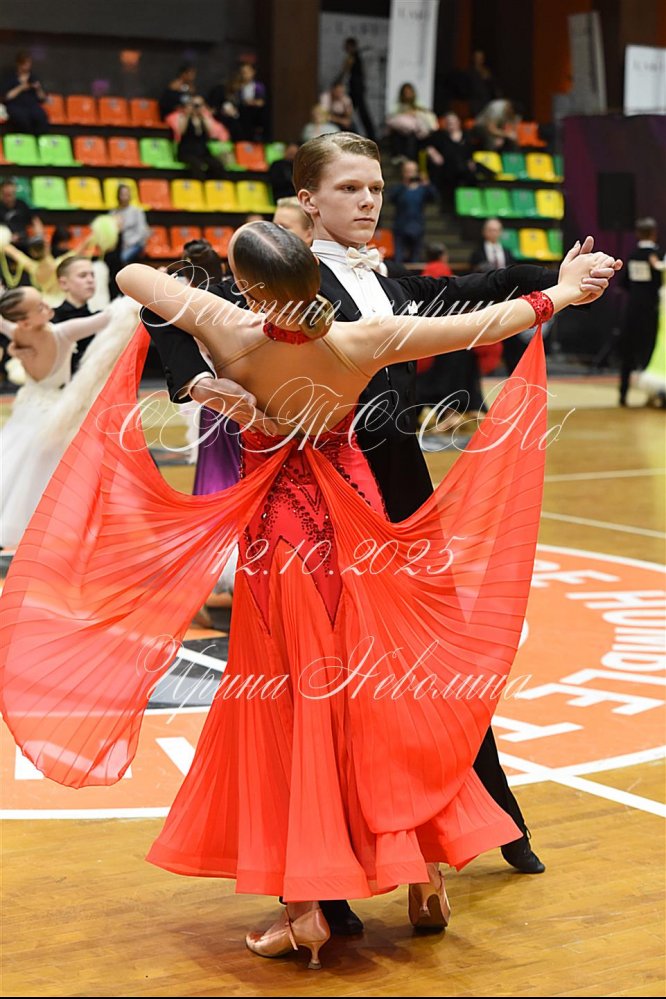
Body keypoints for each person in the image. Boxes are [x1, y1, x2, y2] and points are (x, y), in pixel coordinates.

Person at [1, 223, 612, 971]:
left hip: (282, 542)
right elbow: (488, 322)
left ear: (250, 288)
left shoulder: (229, 328)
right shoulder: (364, 337)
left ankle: (305, 909)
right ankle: (423, 878)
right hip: (359, 526)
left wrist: (215, 382)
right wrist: (560, 293)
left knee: (293, 710)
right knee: (384, 696)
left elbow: (133, 279)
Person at [140, 133, 622, 912]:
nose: (368, 201)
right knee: (330, 684)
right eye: (350, 188)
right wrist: (196, 381)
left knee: (437, 664)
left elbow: (476, 286)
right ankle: (336, 874)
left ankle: (490, 819)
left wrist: (560, 278)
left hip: (402, 492)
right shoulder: (281, 279)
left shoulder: (386, 284)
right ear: (308, 199)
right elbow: (160, 304)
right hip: (324, 506)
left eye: (375, 188)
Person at [0, 287, 134, 548]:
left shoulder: (15, 331)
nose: (48, 307)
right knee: (46, 469)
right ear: (25, 321)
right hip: (52, 411)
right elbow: (105, 318)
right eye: (40, 307)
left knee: (17, 464)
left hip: (28, 407)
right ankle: (48, 524)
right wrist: (138, 295)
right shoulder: (62, 332)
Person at [619, 217, 664, 407]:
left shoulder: (632, 255)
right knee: (649, 352)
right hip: (652, 311)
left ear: (638, 234)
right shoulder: (658, 255)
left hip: (632, 310)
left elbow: (624, 283)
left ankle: (623, 394)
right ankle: (652, 396)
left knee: (628, 352)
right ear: (654, 233)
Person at [52, 255, 98, 373]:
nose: (90, 280)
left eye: (92, 275)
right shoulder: (51, 320)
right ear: (63, 283)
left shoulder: (100, 318)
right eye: (83, 275)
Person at [388, 160, 437, 264]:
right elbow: (391, 197)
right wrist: (404, 184)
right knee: (399, 258)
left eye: (412, 171)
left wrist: (427, 183)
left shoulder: (422, 189)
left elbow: (434, 197)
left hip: (417, 226)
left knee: (416, 258)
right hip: (400, 227)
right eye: (407, 171)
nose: (410, 174)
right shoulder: (399, 189)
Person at [172, 97, 227, 180]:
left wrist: (203, 115)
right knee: (197, 166)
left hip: (202, 151)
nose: (196, 108)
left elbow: (211, 132)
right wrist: (188, 115)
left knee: (217, 165)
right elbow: (181, 131)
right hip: (187, 151)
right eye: (194, 105)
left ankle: (212, 185)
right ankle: (199, 186)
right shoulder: (183, 117)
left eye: (199, 105)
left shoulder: (204, 119)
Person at [386, 83, 438, 163]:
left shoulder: (419, 105)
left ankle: (410, 159)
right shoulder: (397, 106)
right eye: (406, 93)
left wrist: (415, 114)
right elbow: (391, 118)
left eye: (409, 92)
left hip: (416, 134)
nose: (408, 95)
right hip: (400, 132)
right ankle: (399, 156)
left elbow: (427, 117)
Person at [2, 51, 49, 135]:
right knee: (21, 118)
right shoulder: (10, 78)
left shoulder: (33, 77)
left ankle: (39, 139)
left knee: (40, 116)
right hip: (16, 105)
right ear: (19, 64)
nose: (27, 66)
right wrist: (21, 87)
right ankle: (27, 139)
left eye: (29, 63)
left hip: (32, 105)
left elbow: (42, 98)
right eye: (25, 63)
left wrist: (38, 89)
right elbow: (7, 97)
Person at [339, 38, 376, 141]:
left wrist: (338, 80)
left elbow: (345, 70)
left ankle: (371, 136)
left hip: (356, 88)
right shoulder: (355, 56)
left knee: (358, 112)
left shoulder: (353, 56)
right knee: (351, 112)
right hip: (356, 87)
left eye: (347, 46)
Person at [0, 177, 43, 252]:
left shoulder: (22, 205)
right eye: (6, 195)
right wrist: (9, 238)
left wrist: (39, 236)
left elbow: (35, 220)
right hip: (5, 244)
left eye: (11, 194)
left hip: (23, 242)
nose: (8, 198)